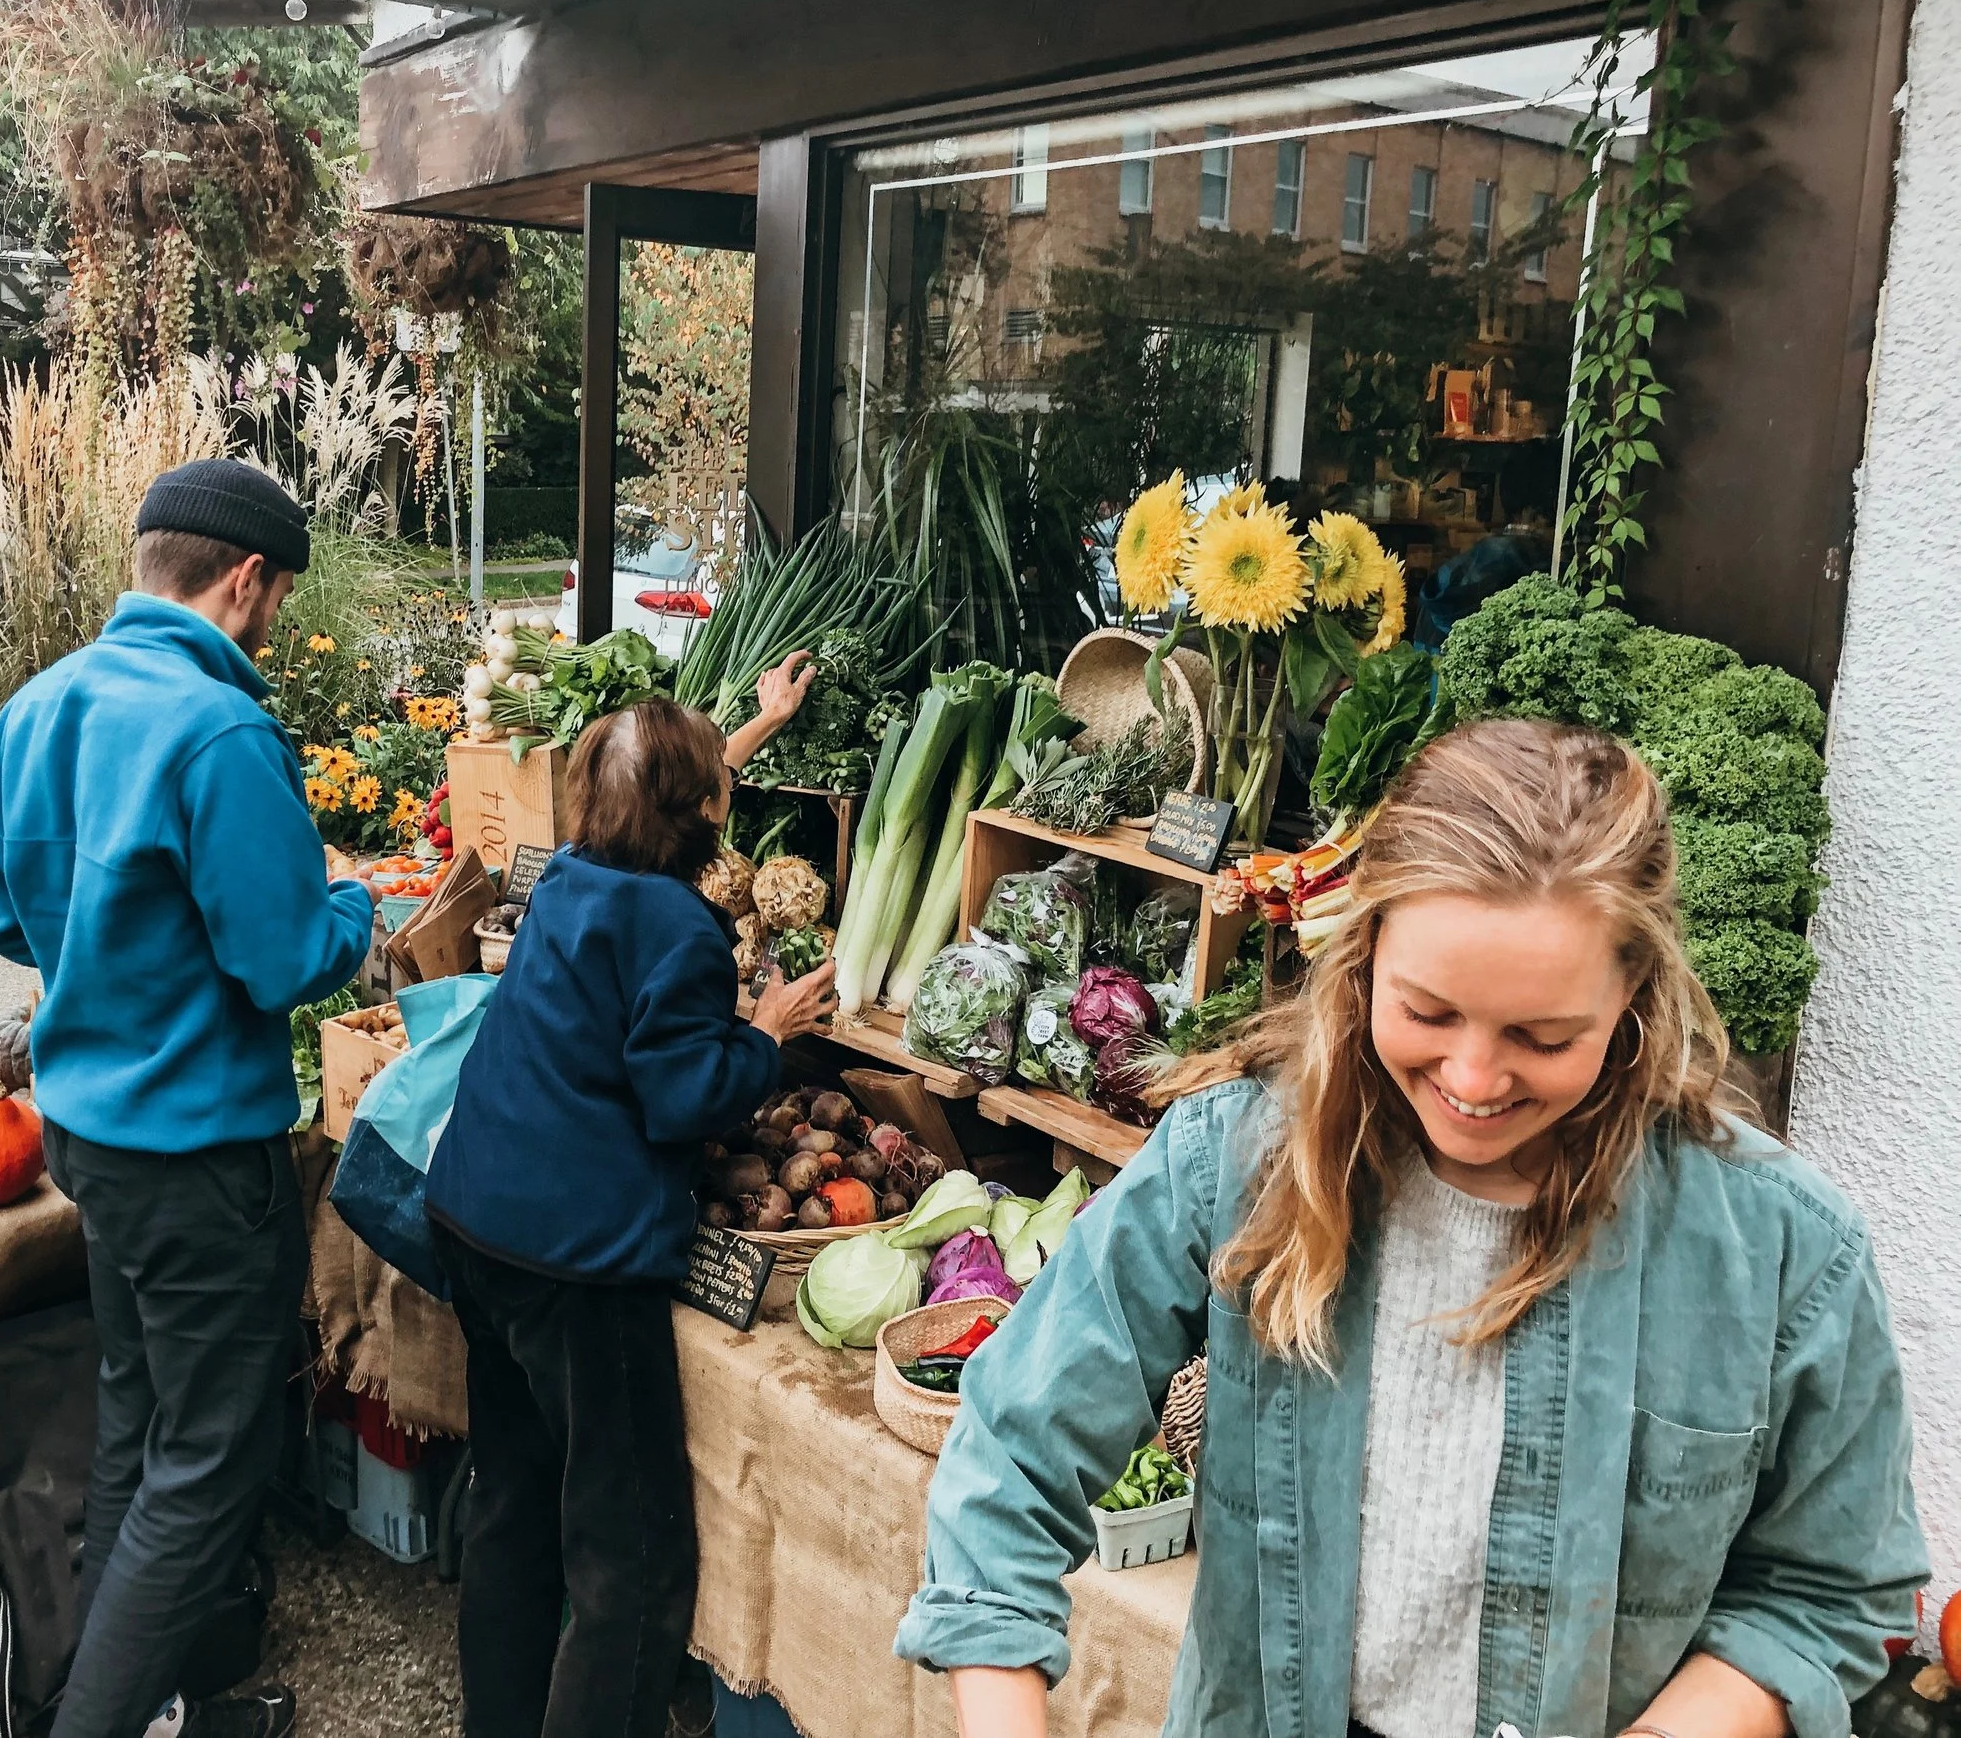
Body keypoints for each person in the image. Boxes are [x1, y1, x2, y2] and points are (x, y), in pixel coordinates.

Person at [897, 719, 1927, 1738]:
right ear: (1365, 955)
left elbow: (1824, 1587)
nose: (1473, 1079)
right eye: (1428, 1013)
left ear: (1634, 995)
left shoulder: (1780, 1249)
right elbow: (1013, 1453)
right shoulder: (1238, 1158)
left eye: (1543, 1036)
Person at [0, 458, 375, 1738]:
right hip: (200, 1159)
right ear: (246, 578)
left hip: (88, 1139)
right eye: (280, 601)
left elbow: (10, 925)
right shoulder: (219, 731)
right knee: (207, 1467)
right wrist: (356, 902)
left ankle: (129, 1711)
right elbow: (285, 961)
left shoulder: (35, 707)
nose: (276, 627)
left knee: (138, 1429)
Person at [426, 674, 838, 1738]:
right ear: (698, 814)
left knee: (514, 1505)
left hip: (476, 1216)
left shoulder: (569, 878)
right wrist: (765, 1032)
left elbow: (657, 791)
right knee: (634, 1564)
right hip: (577, 1260)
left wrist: (760, 723)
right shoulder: (678, 928)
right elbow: (682, 1099)